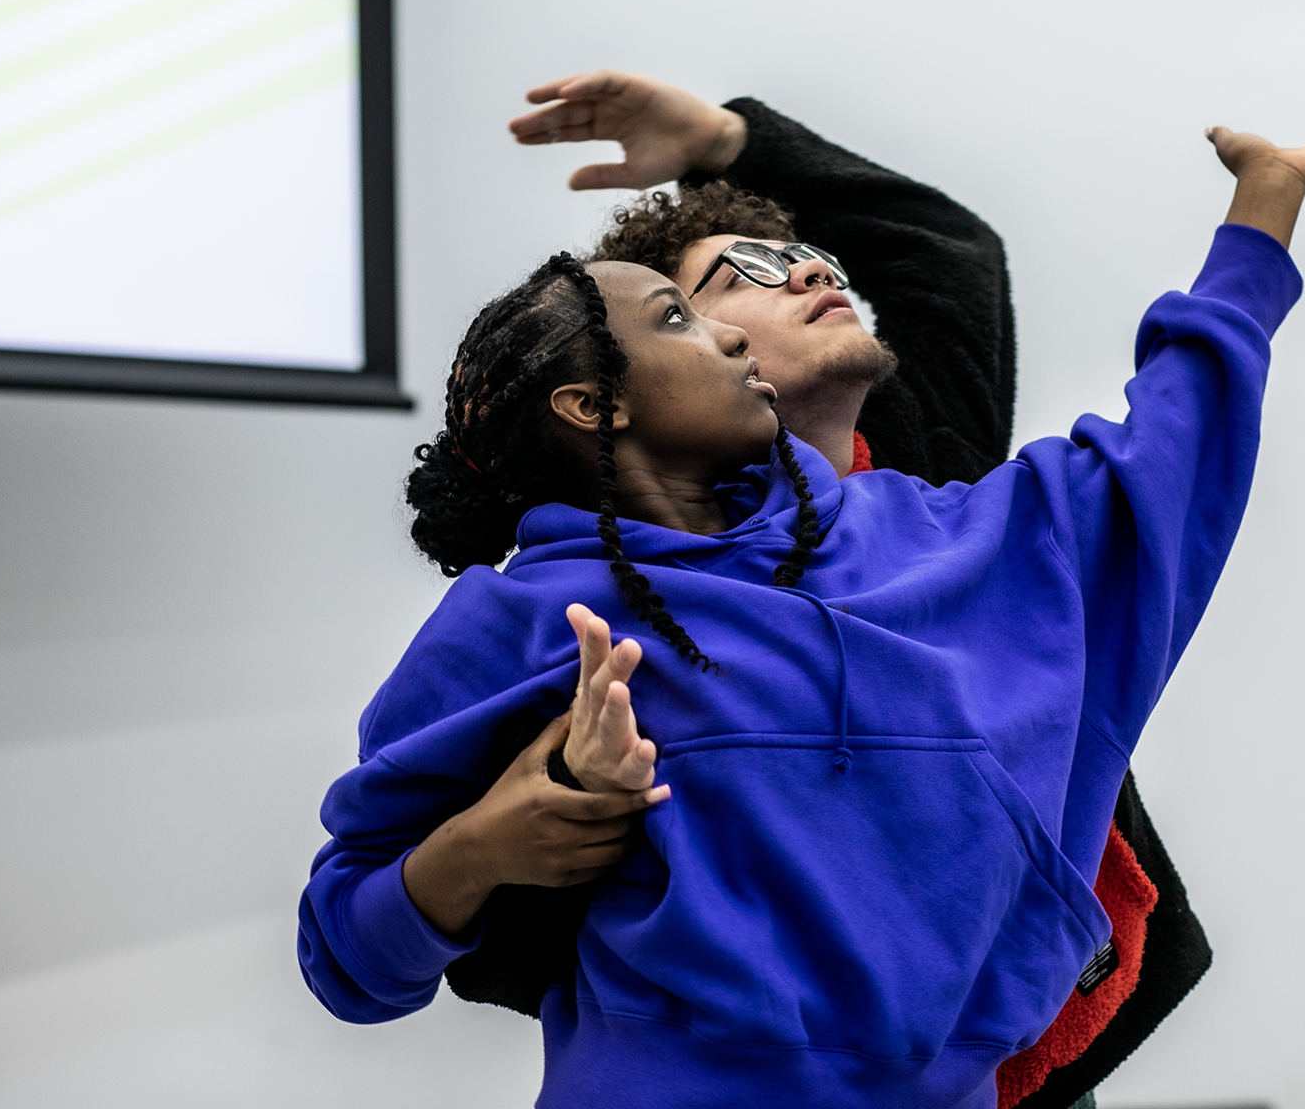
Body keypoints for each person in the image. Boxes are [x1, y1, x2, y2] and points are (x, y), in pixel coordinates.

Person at [297, 87, 1305, 1108]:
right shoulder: (528, 615)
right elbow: (348, 947)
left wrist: (1260, 222)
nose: (739, 334)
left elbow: (1157, 458)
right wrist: (489, 842)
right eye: (687, 314)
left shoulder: (936, 530)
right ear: (596, 401)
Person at [482, 73, 1203, 1105]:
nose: (812, 268)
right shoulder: (610, 592)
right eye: (746, 274)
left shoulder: (924, 459)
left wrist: (726, 139)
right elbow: (493, 932)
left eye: (806, 256)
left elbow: (947, 252)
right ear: (649, 369)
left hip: (1023, 1035)